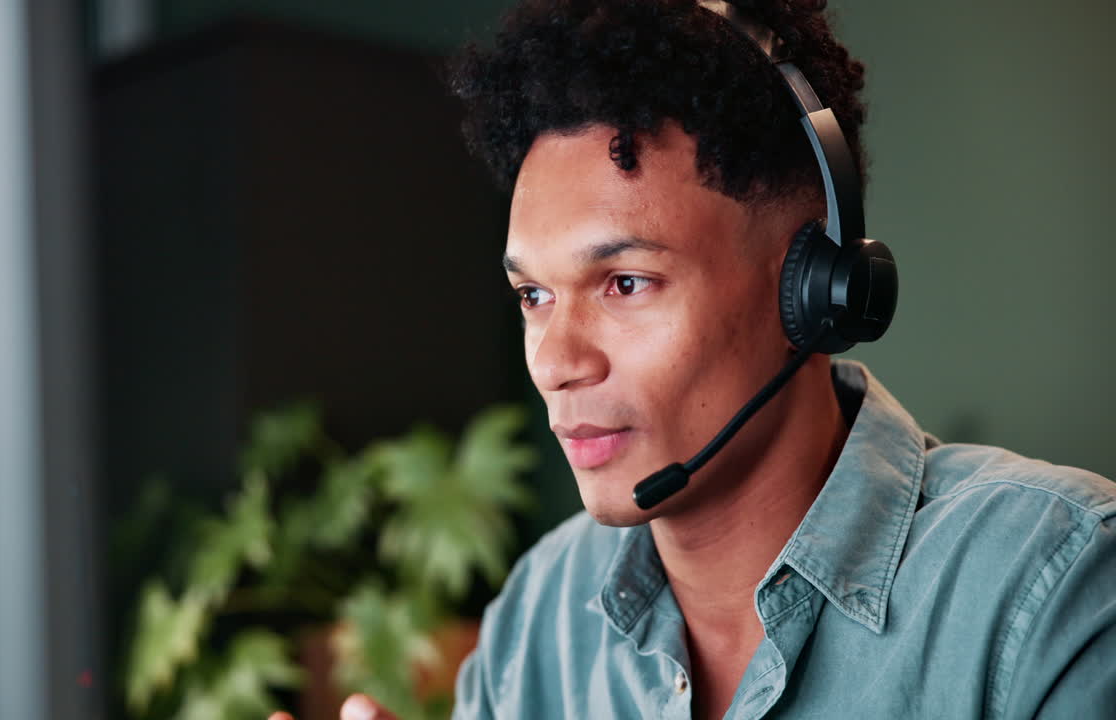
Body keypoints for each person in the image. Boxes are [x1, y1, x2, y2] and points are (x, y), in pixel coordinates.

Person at [273, 1, 1116, 718]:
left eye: (625, 283)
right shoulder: (541, 613)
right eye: (533, 295)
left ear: (812, 293)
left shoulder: (1058, 583)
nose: (557, 362)